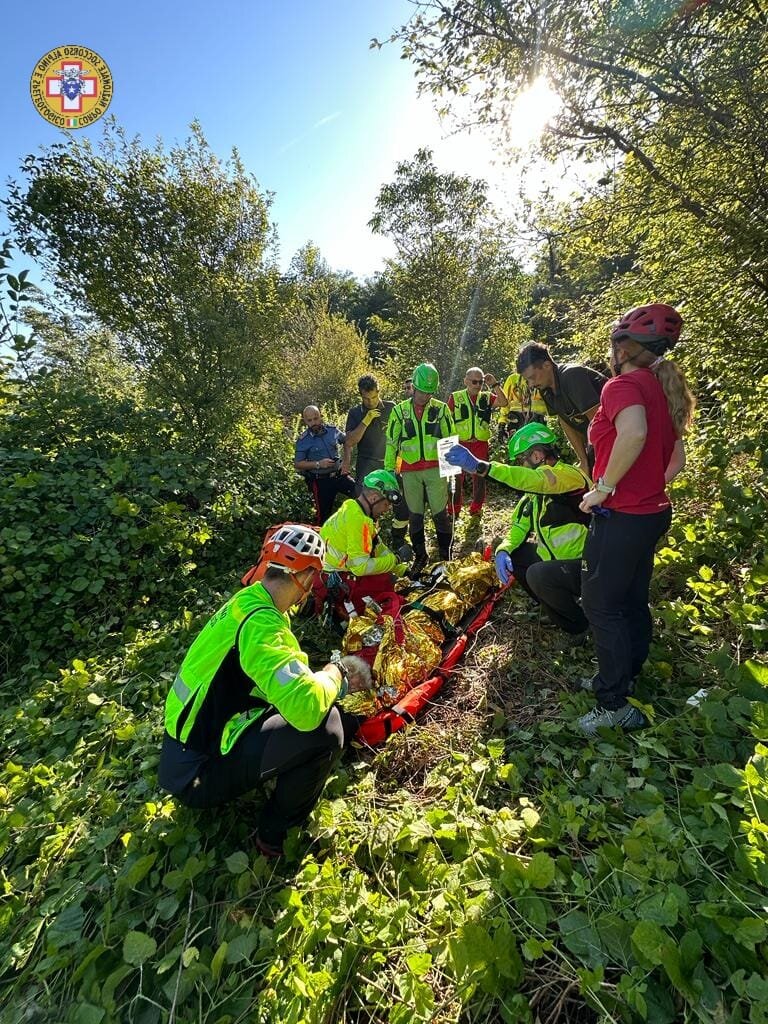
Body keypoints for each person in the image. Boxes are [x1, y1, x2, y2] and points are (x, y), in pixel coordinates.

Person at [158, 523, 372, 856]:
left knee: (313, 705)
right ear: (303, 578)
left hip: (184, 751)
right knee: (327, 728)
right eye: (312, 579)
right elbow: (306, 709)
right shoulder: (262, 627)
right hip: (197, 773)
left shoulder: (249, 602)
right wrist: (337, 672)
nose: (311, 590)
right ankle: (274, 835)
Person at [576, 303, 695, 737]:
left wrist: (605, 488)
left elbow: (635, 434)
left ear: (622, 349)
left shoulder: (622, 385)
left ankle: (614, 704)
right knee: (629, 598)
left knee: (600, 603)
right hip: (652, 513)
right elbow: (676, 459)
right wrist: (645, 487)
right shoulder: (661, 388)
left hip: (623, 516)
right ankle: (626, 676)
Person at [446, 423, 591, 643]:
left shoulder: (568, 477)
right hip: (557, 562)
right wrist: (503, 550)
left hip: (586, 565)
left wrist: (482, 467)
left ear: (536, 456)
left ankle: (579, 625)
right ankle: (555, 609)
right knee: (516, 553)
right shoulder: (535, 493)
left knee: (538, 574)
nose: (521, 466)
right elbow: (520, 526)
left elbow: (535, 480)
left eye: (522, 460)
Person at [385, 362, 455, 571]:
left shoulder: (441, 409)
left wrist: (452, 472)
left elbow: (450, 440)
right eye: (422, 392)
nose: (425, 396)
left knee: (440, 514)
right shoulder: (399, 412)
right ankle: (420, 556)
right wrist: (389, 472)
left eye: (430, 392)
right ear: (413, 387)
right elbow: (391, 443)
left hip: (436, 469)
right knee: (415, 515)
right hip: (410, 471)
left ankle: (445, 555)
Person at [318, 469, 409, 614]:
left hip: (338, 569)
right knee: (388, 584)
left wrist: (403, 570)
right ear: (373, 498)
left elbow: (377, 547)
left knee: (389, 578)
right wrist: (396, 559)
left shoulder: (356, 510)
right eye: (386, 504)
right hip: (334, 577)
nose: (388, 509)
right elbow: (360, 568)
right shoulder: (357, 520)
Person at [517, 343, 607, 474]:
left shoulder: (572, 376)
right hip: (597, 442)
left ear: (547, 365)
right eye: (527, 380)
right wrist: (584, 461)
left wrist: (600, 462)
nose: (531, 384)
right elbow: (565, 420)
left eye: (532, 377)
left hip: (618, 436)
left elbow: (599, 421)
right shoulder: (545, 388)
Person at [447, 367, 508, 517]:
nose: (477, 385)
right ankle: (454, 508)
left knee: (480, 475)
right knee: (455, 477)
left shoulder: (487, 397)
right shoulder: (455, 397)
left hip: (480, 443)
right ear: (466, 381)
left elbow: (504, 402)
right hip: (459, 442)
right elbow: (446, 420)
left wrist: (494, 384)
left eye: (480, 382)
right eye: (474, 382)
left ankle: (476, 507)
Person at [295, 405, 356, 525]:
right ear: (305, 421)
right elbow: (298, 464)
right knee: (323, 518)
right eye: (310, 420)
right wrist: (318, 464)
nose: (314, 422)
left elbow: (347, 442)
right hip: (320, 482)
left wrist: (346, 462)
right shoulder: (303, 440)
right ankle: (324, 541)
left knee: (360, 494)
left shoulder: (332, 431)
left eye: (316, 418)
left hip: (339, 475)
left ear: (321, 416)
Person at [341, 375, 395, 484]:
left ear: (378, 392)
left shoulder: (391, 408)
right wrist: (366, 420)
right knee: (365, 499)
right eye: (366, 398)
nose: (370, 402)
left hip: (389, 464)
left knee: (393, 499)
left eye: (374, 397)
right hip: (365, 466)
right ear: (361, 395)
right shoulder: (355, 412)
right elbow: (349, 442)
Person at [496, 370, 548, 440]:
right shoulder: (513, 379)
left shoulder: (543, 379)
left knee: (537, 449)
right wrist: (502, 425)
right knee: (517, 449)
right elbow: (505, 405)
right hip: (516, 422)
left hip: (537, 422)